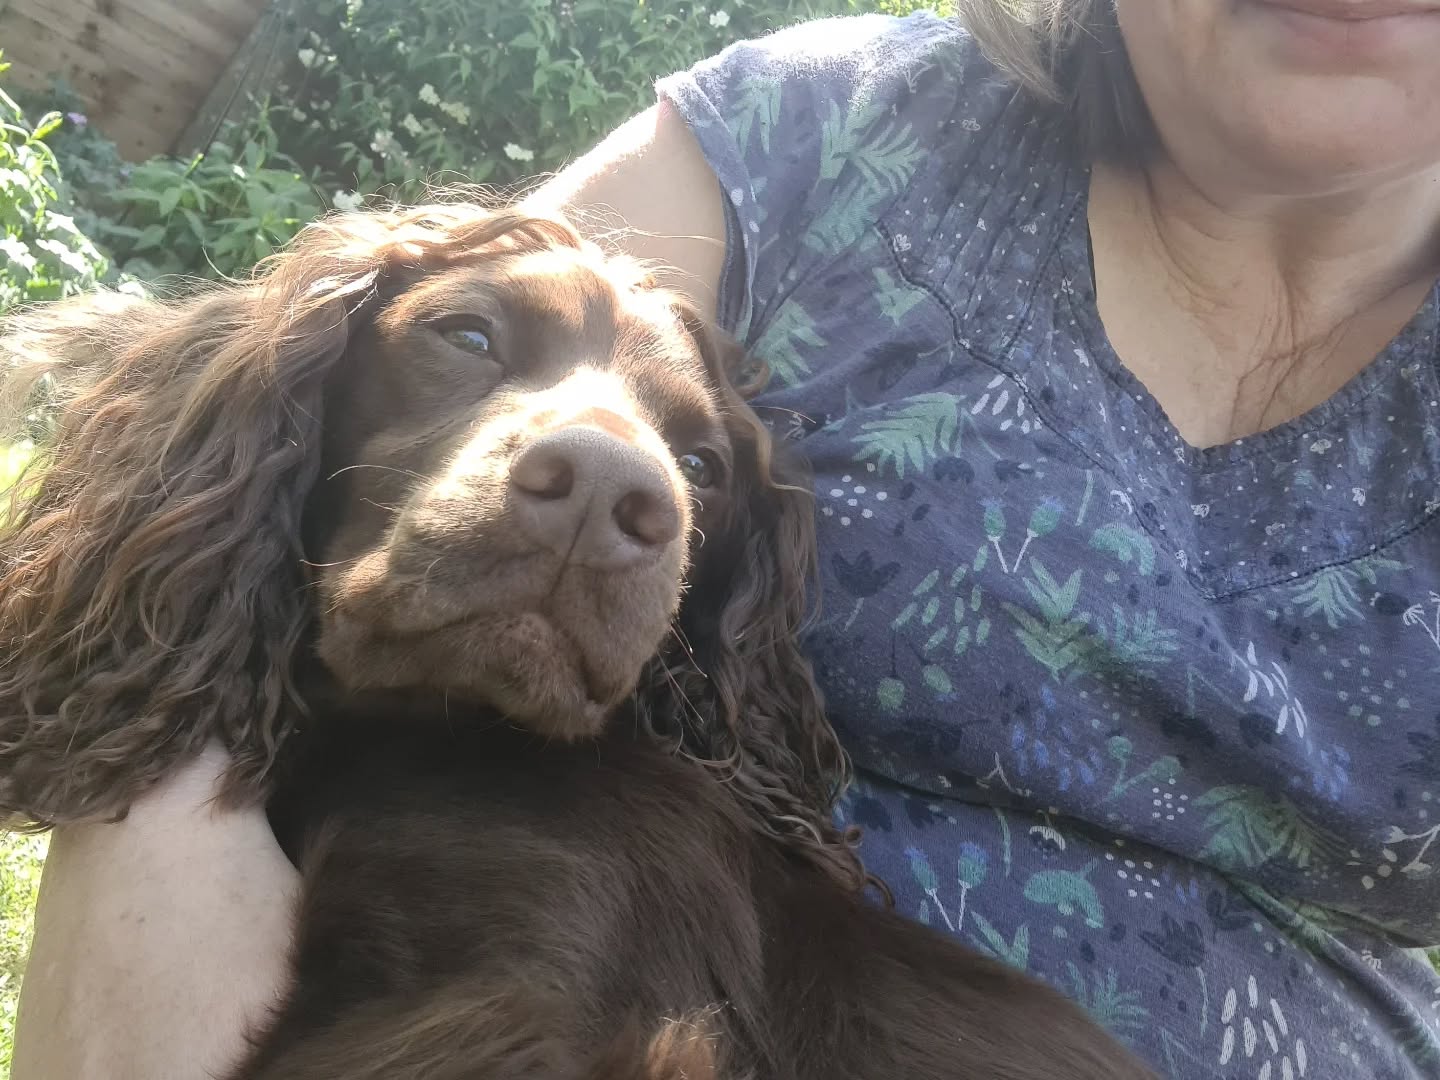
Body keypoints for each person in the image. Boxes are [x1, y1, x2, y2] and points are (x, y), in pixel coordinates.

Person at [14, 2, 1440, 1076]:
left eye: (688, 466)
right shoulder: (834, 134)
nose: (610, 474)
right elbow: (216, 494)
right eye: (471, 343)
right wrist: (145, 820)